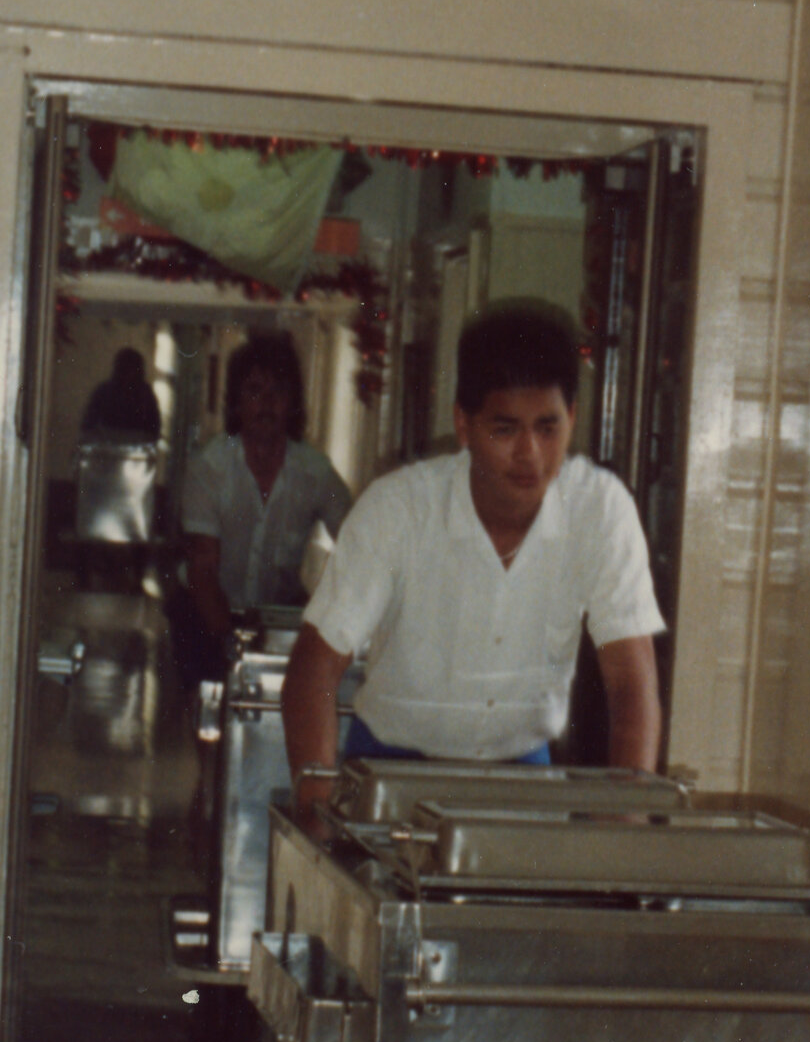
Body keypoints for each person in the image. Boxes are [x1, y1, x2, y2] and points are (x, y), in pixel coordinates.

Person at [281, 301, 662, 813]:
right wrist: (317, 809)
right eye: (505, 429)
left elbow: (631, 687)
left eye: (548, 428)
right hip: (388, 768)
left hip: (523, 773)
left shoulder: (600, 510)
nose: (530, 453)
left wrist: (627, 831)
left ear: (572, 417)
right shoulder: (400, 509)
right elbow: (313, 671)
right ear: (464, 425)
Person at [177, 331, 352, 648]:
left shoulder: (316, 473)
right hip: (203, 614)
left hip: (276, 618)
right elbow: (203, 568)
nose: (267, 403)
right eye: (255, 391)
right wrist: (227, 642)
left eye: (279, 391)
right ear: (236, 402)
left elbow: (359, 540)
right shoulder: (209, 468)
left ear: (293, 403)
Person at [80, 344, 161, 442]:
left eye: (133, 369)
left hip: (137, 450)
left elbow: (154, 430)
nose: (129, 374)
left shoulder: (146, 394)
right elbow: (88, 426)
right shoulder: (104, 391)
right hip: (106, 449)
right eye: (125, 368)